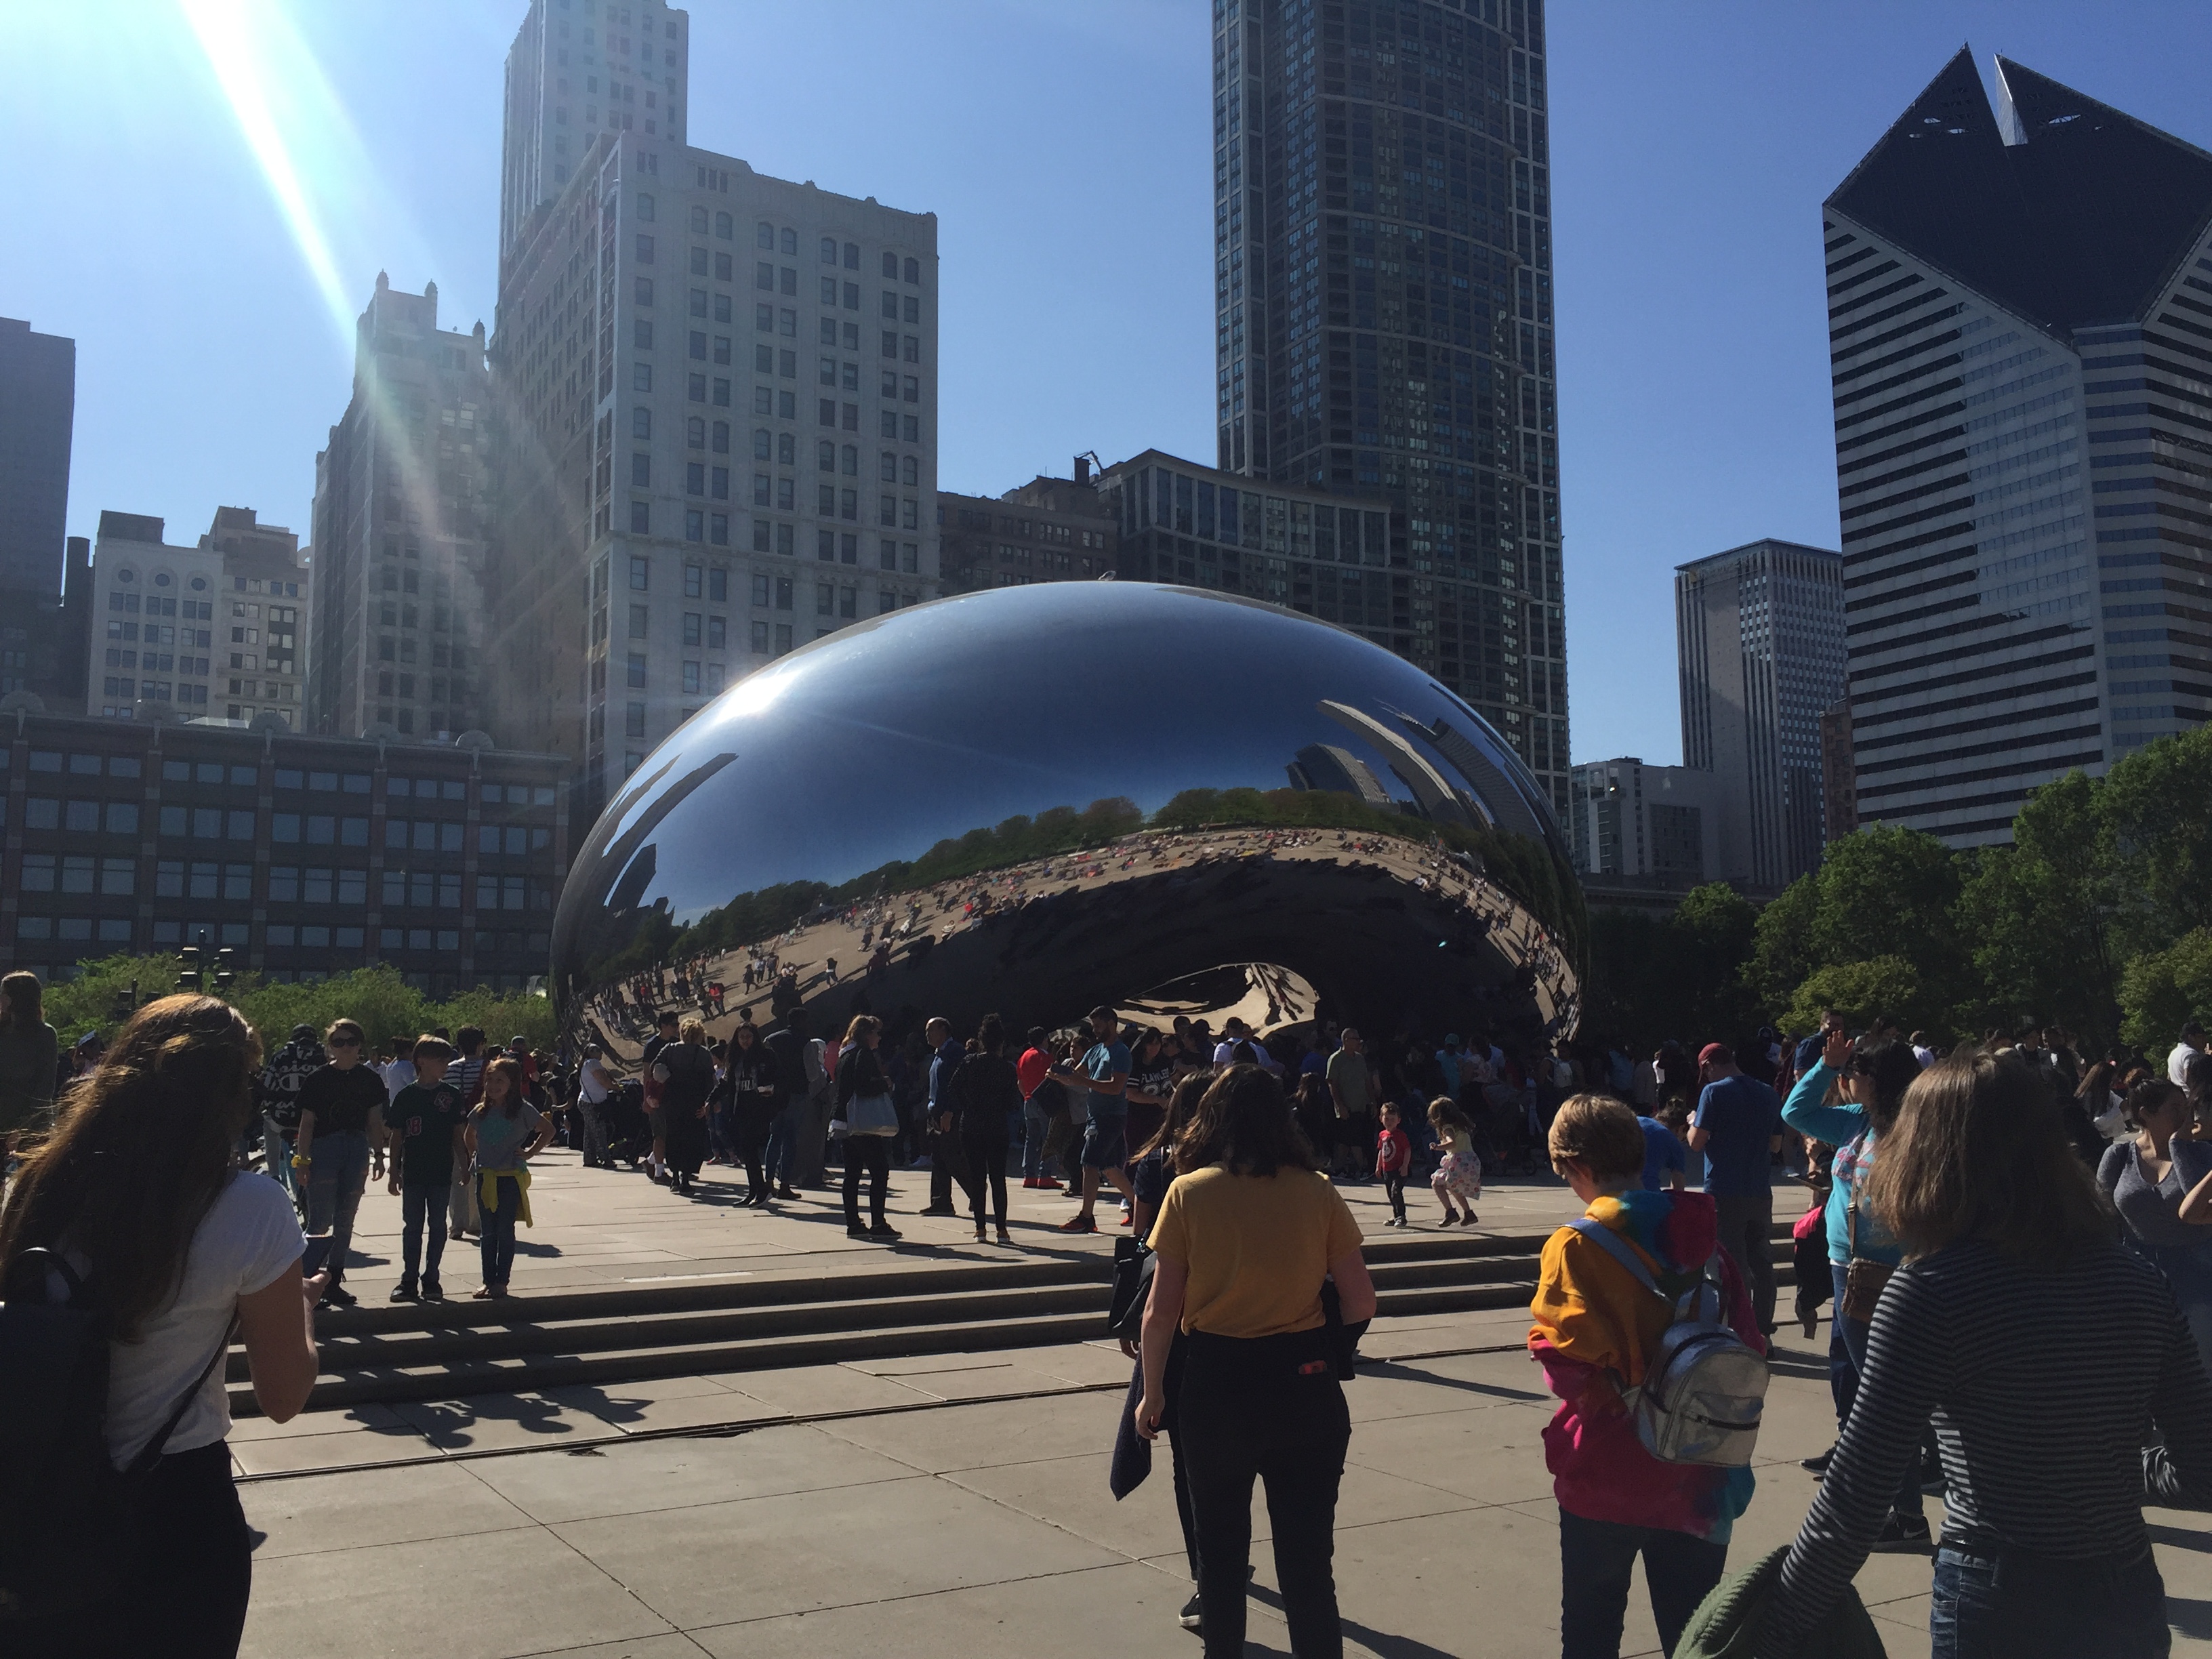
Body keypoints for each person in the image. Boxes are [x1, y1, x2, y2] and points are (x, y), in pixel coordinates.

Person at [1758, 1052, 2212, 1658]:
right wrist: (2104, 1474)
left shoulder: (1930, 1291)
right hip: (2124, 1587)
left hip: (2000, 1594)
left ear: (1923, 1156)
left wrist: (1777, 1626)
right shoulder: (2134, 1281)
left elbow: (1856, 1496)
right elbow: (2202, 1467)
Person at [0, 995, 321, 1658]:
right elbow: (284, 1397)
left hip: (32, 1495)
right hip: (176, 1510)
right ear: (233, 1094)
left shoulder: (42, 1178)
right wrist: (303, 1314)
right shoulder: (249, 1208)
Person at [1135, 1064, 1375, 1656]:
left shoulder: (1189, 1193)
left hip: (1218, 1382)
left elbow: (1161, 1313)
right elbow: (1361, 1298)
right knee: (1308, 1566)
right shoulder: (1316, 1189)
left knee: (1220, 1558)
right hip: (1303, 1382)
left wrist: (1155, 1391)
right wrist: (1326, 1346)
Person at [1529, 1093, 1763, 1659]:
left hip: (1607, 1470)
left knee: (1591, 1630)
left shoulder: (1576, 1244)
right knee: (1695, 1637)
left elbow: (1565, 1361)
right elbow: (1749, 1344)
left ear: (1580, 1167)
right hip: (1699, 1474)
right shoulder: (1707, 1242)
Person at [1780, 1026, 1930, 1549]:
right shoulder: (1858, 1121)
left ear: (1878, 1079)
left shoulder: (1914, 1128)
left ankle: (1905, 1514)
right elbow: (1794, 1114)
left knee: (1884, 1399)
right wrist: (1825, 1065)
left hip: (1890, 1271)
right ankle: (1890, 1501)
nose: (1847, 1080)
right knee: (1866, 1391)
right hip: (1849, 1267)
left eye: (1855, 1072)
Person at [2099, 1078, 2212, 1380]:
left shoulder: (2201, 1155)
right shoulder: (2119, 1156)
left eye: (2186, 1108)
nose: (2184, 1117)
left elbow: (2193, 1208)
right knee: (2144, 1370)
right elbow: (2100, 1215)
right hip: (2139, 1274)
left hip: (2198, 1272)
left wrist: (2179, 1147)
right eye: (2174, 1109)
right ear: (2146, 1114)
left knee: (2199, 1367)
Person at [1687, 1042, 1782, 1335]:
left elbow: (1696, 1142)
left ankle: (1741, 1331)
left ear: (1708, 1066)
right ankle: (1763, 1330)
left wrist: (1693, 1121)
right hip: (1759, 1189)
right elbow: (1776, 1144)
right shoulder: (1767, 1092)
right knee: (1762, 1264)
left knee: (1733, 1264)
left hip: (1724, 1190)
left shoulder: (1714, 1092)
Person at [291, 1018, 387, 1309]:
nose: (345, 1048)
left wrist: (379, 1155)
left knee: (346, 1217)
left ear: (360, 1045)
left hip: (356, 1146)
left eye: (350, 1042)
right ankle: (310, 1281)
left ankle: (334, 1279)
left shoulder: (370, 1079)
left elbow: (375, 1121)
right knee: (320, 1219)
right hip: (324, 1147)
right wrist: (302, 1160)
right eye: (338, 1042)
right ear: (330, 1046)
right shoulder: (318, 1078)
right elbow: (306, 1124)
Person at [384, 1035, 466, 1303]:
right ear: (421, 1061)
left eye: (447, 1059)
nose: (445, 1064)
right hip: (414, 1171)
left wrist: (465, 1164)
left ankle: (432, 1277)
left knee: (438, 1225)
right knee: (413, 1226)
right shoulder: (407, 1096)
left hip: (441, 1170)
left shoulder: (451, 1096)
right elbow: (396, 1136)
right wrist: (393, 1170)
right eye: (439, 1059)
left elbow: (458, 1134)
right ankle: (409, 1278)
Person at [465, 1055, 553, 1300]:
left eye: (500, 1081)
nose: (493, 1085)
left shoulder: (522, 1110)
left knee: (505, 1230)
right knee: (488, 1232)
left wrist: (529, 1153)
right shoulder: (480, 1111)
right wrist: (475, 1155)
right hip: (486, 1177)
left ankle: (501, 1281)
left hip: (509, 1178)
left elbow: (548, 1130)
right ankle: (487, 1280)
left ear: (512, 1083)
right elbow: (468, 1135)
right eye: (489, 1080)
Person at [1057, 1005, 1135, 1235]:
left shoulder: (1121, 1053)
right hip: (1095, 1116)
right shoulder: (1095, 1051)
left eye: (1099, 1027)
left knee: (1089, 1163)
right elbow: (1077, 1076)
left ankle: (1086, 1217)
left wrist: (1083, 1083)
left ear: (1111, 1024)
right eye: (1094, 1027)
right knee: (1109, 1167)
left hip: (1110, 1117)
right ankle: (1140, 1206)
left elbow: (1116, 1087)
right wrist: (1058, 1075)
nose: (1095, 1031)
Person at [952, 1013, 1022, 1245]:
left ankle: (980, 1228)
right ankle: (1001, 1229)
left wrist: (968, 1105)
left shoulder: (969, 1062)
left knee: (977, 1177)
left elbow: (953, 1090)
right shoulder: (1006, 1069)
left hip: (971, 1124)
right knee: (997, 1178)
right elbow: (1013, 1103)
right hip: (996, 1125)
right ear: (1001, 1043)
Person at [835, 1014, 900, 1241]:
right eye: (876, 1033)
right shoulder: (864, 1054)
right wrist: (885, 1083)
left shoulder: (845, 1054)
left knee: (852, 1174)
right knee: (880, 1171)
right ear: (866, 1034)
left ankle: (853, 1222)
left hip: (844, 1120)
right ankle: (878, 1222)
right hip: (862, 1122)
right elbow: (864, 1087)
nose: (879, 1038)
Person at [255, 1022, 323, 1209]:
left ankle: (275, 1174)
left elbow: (267, 1085)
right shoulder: (322, 1055)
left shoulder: (281, 1055)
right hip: (315, 1120)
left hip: (282, 1119)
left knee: (269, 1127)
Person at [722, 1021, 781, 1206]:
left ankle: (761, 1190)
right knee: (746, 1151)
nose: (745, 1041)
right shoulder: (735, 1058)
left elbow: (779, 1077)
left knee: (750, 1148)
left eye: (748, 1037)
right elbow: (725, 1082)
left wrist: (773, 1092)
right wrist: (710, 1100)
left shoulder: (765, 1055)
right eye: (741, 1037)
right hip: (740, 1108)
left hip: (760, 1108)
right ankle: (755, 1190)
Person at [0, 969, 58, 1156]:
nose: (1, 999)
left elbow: (45, 1087)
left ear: (19, 999)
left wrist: (21, 1129)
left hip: (32, 1125)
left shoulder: (45, 1035)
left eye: (5, 994)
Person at [654, 1019, 716, 1195]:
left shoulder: (669, 1050)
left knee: (674, 1138)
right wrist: (711, 1103)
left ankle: (674, 1177)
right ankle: (686, 1179)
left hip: (672, 1102)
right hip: (694, 1103)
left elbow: (656, 1068)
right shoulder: (703, 1053)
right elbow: (709, 1081)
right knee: (692, 1140)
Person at [447, 1026, 489, 1238]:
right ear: (481, 1044)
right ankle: (475, 1221)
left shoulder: (450, 1068)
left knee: (456, 1175)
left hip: (455, 1126)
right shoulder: (489, 1068)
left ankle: (456, 1224)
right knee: (478, 1174)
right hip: (480, 1126)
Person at [921, 1015, 966, 1214]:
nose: (927, 1035)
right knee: (938, 1158)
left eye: (931, 1030)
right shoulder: (938, 1053)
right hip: (934, 1112)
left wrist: (950, 1110)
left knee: (952, 1158)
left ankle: (976, 1191)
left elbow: (958, 1085)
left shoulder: (955, 1052)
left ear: (944, 1031)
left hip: (948, 1112)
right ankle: (941, 1201)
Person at [1326, 1027, 1380, 1179]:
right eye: (1355, 1039)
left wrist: (1373, 1102)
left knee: (1347, 1140)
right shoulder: (1336, 1059)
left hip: (1361, 1105)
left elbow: (1367, 1081)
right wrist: (1340, 1105)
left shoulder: (1360, 1058)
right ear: (1346, 1041)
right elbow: (1332, 1084)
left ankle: (1337, 1168)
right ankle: (1363, 1168)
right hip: (1346, 1106)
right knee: (1355, 1139)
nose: (1359, 1042)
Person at [1428, 1096, 1481, 1227]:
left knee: (1436, 1182)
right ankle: (1469, 1214)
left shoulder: (1447, 1128)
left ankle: (1450, 1212)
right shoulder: (1461, 1127)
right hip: (1471, 1162)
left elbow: (1452, 1143)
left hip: (1459, 1162)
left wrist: (1438, 1147)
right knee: (1453, 1186)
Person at [1017, 1025, 1056, 1188]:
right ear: (1044, 1040)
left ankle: (1029, 1175)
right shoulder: (1046, 1057)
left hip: (1028, 1099)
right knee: (1047, 1138)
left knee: (1031, 1139)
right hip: (1044, 1101)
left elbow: (1019, 1082)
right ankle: (1045, 1174)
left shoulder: (1024, 1057)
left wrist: (1027, 1095)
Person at [576, 1044, 613, 1168]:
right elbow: (603, 1081)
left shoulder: (585, 1064)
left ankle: (590, 1159)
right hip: (592, 1104)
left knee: (590, 1132)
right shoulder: (593, 1063)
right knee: (599, 1131)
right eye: (597, 1050)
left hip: (586, 1101)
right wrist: (615, 1087)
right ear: (591, 1053)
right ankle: (606, 1159)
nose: (600, 1052)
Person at [1376, 1101, 1412, 1227]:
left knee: (1396, 1191)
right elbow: (1382, 1151)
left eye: (1393, 1119)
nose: (1390, 1122)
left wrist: (1405, 1166)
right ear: (1381, 1119)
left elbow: (1407, 1150)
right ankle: (1395, 1215)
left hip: (1399, 1169)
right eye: (1387, 1119)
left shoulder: (1400, 1135)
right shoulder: (1382, 1135)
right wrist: (1378, 1166)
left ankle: (1401, 1216)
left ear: (1398, 1120)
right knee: (1390, 1194)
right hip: (1387, 1169)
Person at [1636, 1109, 1685, 1193]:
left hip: (1612, 1189)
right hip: (1647, 1193)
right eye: (1684, 1138)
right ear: (1681, 1128)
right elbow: (1678, 1189)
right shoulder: (1673, 1141)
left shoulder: (1636, 1121)